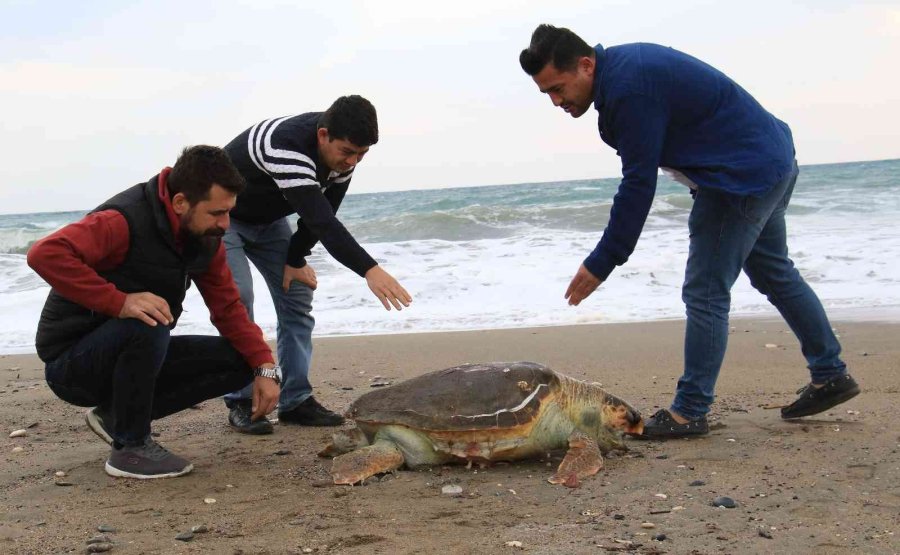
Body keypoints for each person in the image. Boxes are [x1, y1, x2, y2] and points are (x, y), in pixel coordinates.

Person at [518, 25, 859, 439]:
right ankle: (830, 373)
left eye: (558, 87)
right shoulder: (625, 72)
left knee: (705, 291)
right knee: (774, 272)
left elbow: (638, 184)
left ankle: (690, 411)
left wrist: (602, 261)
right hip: (772, 159)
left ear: (586, 65)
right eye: (546, 94)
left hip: (739, 178)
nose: (556, 101)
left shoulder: (629, 91)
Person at [27, 145, 282, 478]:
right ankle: (129, 449)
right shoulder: (123, 220)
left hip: (132, 352)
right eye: (217, 213)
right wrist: (119, 301)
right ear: (180, 203)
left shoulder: (205, 236)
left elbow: (228, 308)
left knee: (241, 358)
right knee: (147, 320)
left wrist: (264, 365)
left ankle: (116, 418)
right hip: (72, 364)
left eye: (229, 212)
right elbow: (44, 254)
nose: (226, 223)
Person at [221, 95, 412, 433]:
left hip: (268, 221)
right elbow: (323, 222)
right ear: (323, 135)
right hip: (223, 219)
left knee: (296, 295)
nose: (353, 161)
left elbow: (323, 212)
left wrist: (295, 258)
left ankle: (296, 400)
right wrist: (370, 269)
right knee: (239, 297)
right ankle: (241, 398)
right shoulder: (285, 146)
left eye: (362, 155)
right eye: (348, 152)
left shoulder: (342, 159)